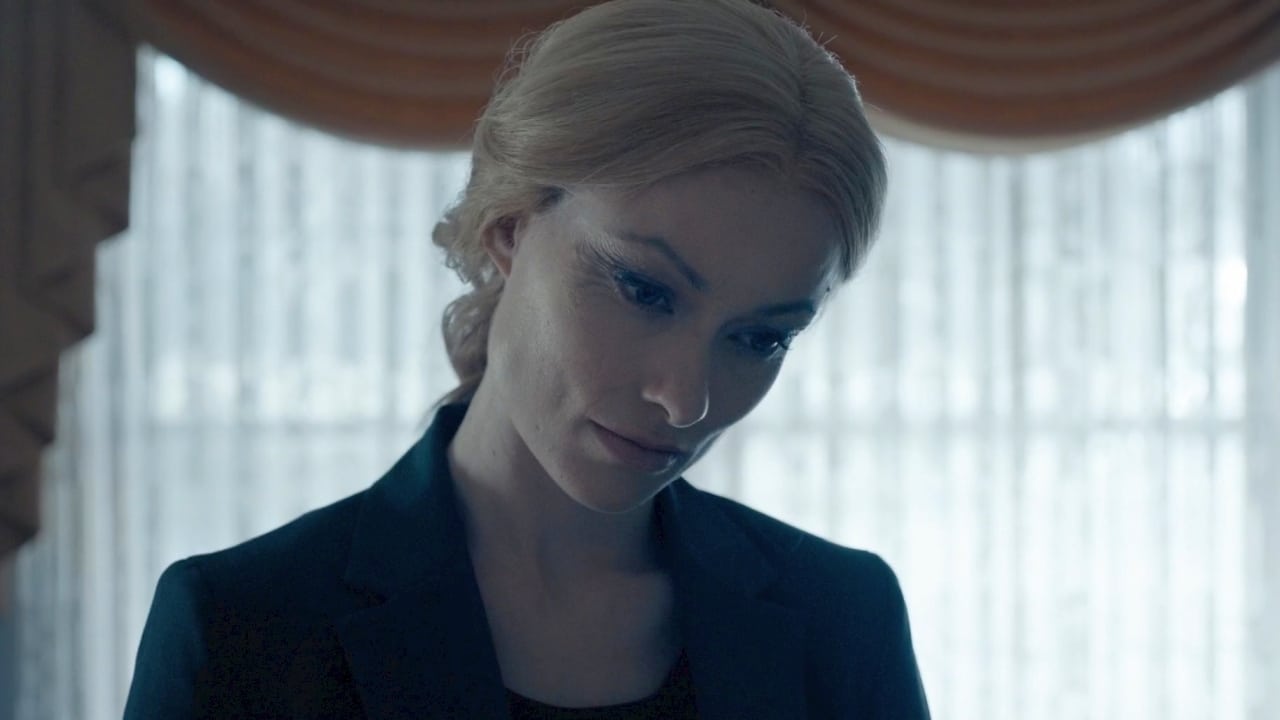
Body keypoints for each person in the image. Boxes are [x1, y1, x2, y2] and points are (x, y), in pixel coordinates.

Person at [123, 0, 930, 717]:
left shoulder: (844, 619)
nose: (686, 400)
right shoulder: (243, 627)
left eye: (760, 339)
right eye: (645, 291)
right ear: (508, 226)